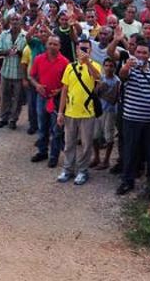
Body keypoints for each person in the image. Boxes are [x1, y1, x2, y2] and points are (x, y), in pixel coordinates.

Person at [116, 40, 150, 196]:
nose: (141, 55)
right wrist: (126, 66)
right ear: (134, 53)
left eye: (145, 52)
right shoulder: (130, 69)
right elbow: (122, 76)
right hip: (131, 119)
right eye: (139, 52)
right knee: (130, 152)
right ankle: (127, 181)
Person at [56, 39, 101, 186]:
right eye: (81, 48)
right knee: (69, 142)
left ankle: (83, 170)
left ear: (90, 50)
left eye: (86, 48)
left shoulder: (95, 66)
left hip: (87, 113)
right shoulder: (70, 67)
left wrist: (87, 61)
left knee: (87, 144)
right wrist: (60, 112)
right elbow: (64, 90)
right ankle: (68, 169)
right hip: (70, 112)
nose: (83, 51)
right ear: (76, 50)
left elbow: (97, 77)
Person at [29, 35, 69, 167]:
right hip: (42, 97)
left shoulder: (65, 62)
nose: (52, 46)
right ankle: (42, 151)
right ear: (46, 45)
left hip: (57, 100)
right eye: (50, 43)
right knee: (42, 126)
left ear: (60, 46)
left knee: (56, 129)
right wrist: (37, 85)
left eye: (55, 44)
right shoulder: (39, 59)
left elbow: (68, 83)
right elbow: (31, 76)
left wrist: (60, 91)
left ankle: (54, 156)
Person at [0, 14, 27, 130]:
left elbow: (27, 54)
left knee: (17, 98)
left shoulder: (25, 36)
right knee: (5, 96)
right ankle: (4, 118)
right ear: (9, 21)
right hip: (6, 70)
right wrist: (7, 51)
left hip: (19, 72)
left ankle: (13, 119)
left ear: (21, 21)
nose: (14, 21)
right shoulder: (4, 34)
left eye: (17, 19)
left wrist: (19, 52)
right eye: (12, 19)